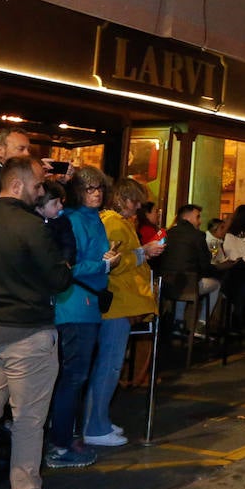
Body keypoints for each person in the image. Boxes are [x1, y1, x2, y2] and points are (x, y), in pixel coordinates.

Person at [0, 155, 73, 489]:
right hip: (28, 333)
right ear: (18, 184)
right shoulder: (30, 225)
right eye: (38, 183)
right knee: (27, 421)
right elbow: (58, 279)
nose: (41, 190)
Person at [46, 166, 118, 469]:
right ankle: (59, 446)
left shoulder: (92, 218)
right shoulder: (74, 220)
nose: (96, 193)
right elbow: (67, 267)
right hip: (74, 305)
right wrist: (102, 266)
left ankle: (64, 437)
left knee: (74, 377)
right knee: (72, 377)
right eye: (89, 188)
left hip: (85, 305)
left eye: (99, 187)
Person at [85, 177, 163, 446]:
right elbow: (115, 262)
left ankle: (99, 421)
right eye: (135, 200)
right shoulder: (115, 223)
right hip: (118, 303)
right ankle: (95, 426)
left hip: (118, 302)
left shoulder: (111, 221)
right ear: (124, 199)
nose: (138, 206)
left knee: (109, 364)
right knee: (109, 365)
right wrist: (144, 252)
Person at [162, 203, 221, 333]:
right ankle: (201, 325)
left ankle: (178, 323)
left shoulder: (166, 233)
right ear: (187, 218)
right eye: (198, 217)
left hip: (166, 285)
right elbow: (205, 264)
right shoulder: (198, 236)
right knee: (216, 284)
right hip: (188, 285)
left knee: (184, 280)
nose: (200, 221)